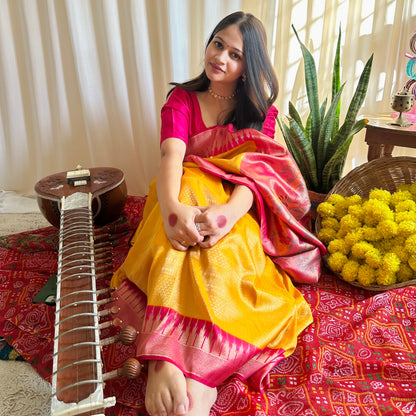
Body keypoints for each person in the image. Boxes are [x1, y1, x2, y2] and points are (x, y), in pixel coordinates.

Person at [111, 11, 326, 416]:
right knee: (172, 244)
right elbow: (171, 156)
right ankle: (164, 359)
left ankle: (195, 373)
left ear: (249, 68)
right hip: (179, 192)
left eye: (235, 54)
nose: (221, 58)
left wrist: (227, 214)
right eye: (217, 44)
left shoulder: (260, 112)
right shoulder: (182, 100)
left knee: (224, 259)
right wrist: (173, 209)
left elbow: (258, 176)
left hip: (232, 203)